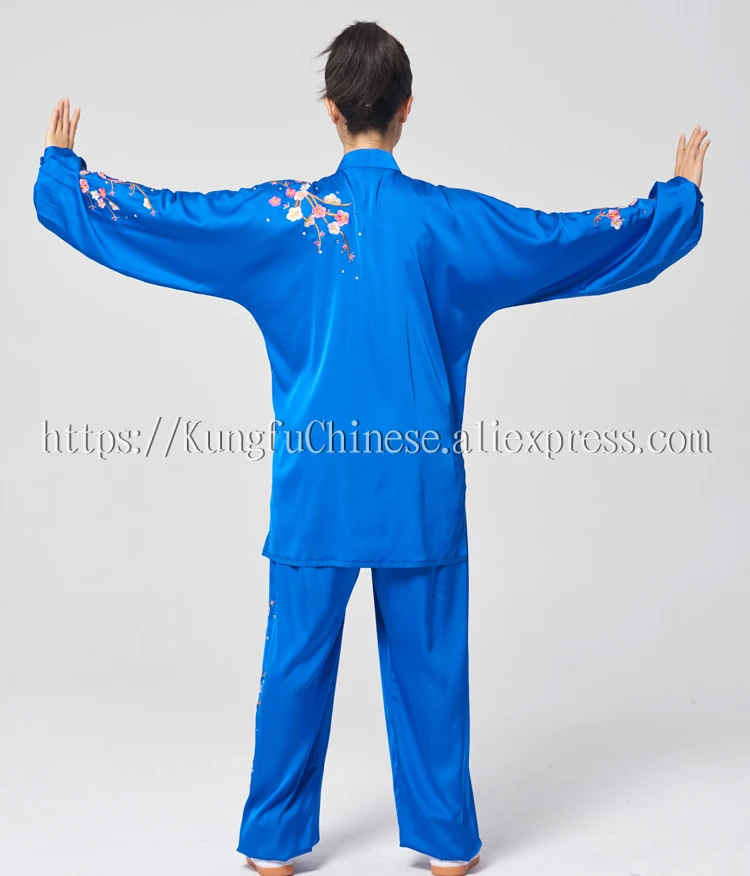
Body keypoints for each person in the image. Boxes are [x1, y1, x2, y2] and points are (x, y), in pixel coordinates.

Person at [32, 19, 708, 876]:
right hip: (417, 484)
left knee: (294, 666)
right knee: (430, 665)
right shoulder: (447, 222)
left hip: (317, 484)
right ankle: (447, 843)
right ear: (407, 108)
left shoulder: (283, 218)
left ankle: (274, 843)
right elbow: (561, 238)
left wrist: (66, 179)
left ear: (331, 110)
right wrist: (674, 204)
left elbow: (173, 221)